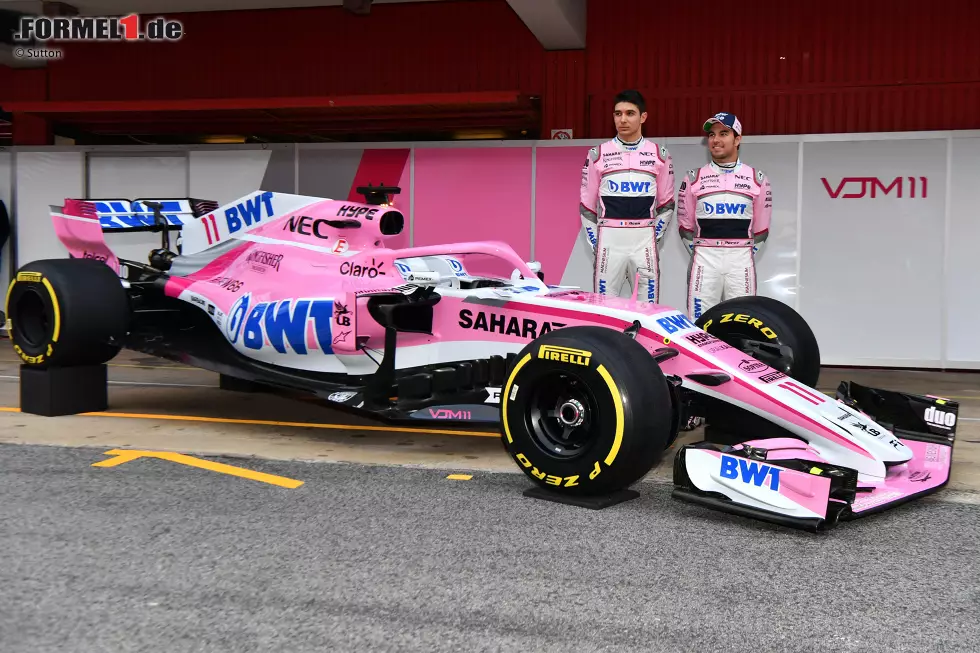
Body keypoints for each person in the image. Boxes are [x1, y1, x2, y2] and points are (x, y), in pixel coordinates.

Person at [579, 89, 675, 303]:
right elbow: (587, 207)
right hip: (609, 241)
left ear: (643, 117)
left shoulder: (660, 155)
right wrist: (598, 242)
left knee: (647, 309)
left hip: (644, 241)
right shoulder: (598, 154)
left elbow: (667, 205)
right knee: (605, 308)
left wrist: (652, 236)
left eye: (630, 113)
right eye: (617, 113)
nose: (622, 119)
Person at [677, 112, 772, 320]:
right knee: (699, 321)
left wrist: (743, 253)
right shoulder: (693, 178)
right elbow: (685, 226)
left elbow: (762, 230)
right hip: (704, 258)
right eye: (711, 135)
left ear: (738, 139)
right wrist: (701, 253)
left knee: (743, 320)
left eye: (723, 133)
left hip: (741, 259)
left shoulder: (757, 179)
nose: (715, 140)